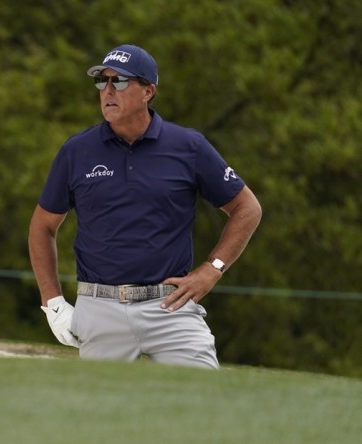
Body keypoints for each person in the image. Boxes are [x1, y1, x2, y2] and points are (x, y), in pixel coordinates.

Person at [28, 44, 262, 369]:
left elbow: (247, 208)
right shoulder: (76, 151)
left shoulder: (188, 147)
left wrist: (212, 270)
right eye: (102, 81)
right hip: (100, 307)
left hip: (170, 305)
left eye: (119, 82)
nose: (107, 90)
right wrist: (52, 302)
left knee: (203, 404)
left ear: (148, 91)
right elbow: (43, 226)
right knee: (102, 415)